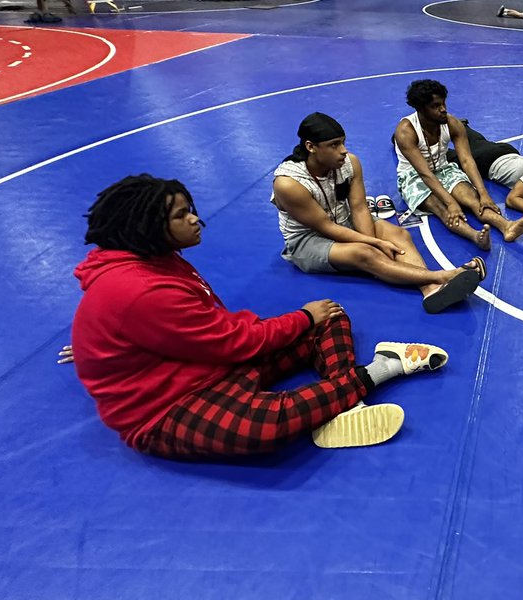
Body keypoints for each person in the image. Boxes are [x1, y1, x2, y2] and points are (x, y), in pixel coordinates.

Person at [70, 174, 448, 460]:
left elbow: (207, 328)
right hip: (166, 408)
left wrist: (107, 342)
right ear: (148, 227)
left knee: (328, 315)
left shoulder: (151, 263)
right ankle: (383, 368)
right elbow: (234, 341)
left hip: (210, 364)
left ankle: (342, 401)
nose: (196, 220)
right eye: (182, 215)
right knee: (268, 423)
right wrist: (301, 318)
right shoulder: (140, 289)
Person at [271, 112, 485, 314]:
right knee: (364, 254)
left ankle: (429, 289)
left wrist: (372, 240)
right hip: (309, 239)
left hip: (345, 221)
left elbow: (359, 207)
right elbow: (326, 227)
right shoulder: (289, 183)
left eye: (343, 142)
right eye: (334, 145)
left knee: (399, 235)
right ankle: (443, 276)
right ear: (311, 147)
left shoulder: (349, 163)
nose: (343, 150)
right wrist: (374, 246)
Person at [393, 79, 523, 250]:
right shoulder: (405, 131)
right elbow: (425, 174)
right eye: (436, 106)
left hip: (443, 168)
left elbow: (467, 161)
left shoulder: (452, 123)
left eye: (444, 103)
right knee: (440, 206)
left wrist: (483, 193)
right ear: (420, 109)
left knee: (473, 198)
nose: (443, 109)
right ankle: (476, 237)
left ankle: (507, 226)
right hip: (414, 176)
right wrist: (450, 201)